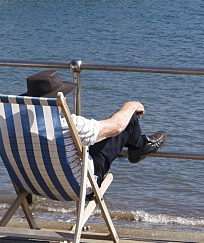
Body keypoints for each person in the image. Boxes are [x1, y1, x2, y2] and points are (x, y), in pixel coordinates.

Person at [20, 70, 166, 185]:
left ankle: (136, 145)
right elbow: (117, 127)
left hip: (34, 183)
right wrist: (131, 106)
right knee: (127, 121)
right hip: (79, 185)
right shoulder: (70, 125)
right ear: (59, 101)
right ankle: (140, 146)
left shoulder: (16, 124)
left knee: (95, 137)